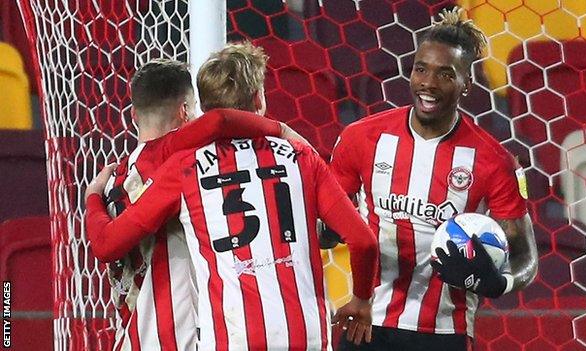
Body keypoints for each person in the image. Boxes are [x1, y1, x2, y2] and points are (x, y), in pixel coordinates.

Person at [88, 42, 380, 350]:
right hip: (304, 334)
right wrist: (361, 299)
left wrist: (92, 197)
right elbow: (363, 241)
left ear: (201, 107)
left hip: (233, 337)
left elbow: (106, 245)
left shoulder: (184, 166)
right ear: (258, 99)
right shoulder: (301, 155)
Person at [329, 7, 538, 351]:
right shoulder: (361, 138)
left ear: (467, 84)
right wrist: (325, 230)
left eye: (445, 74)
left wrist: (500, 283)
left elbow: (526, 258)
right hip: (368, 323)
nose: (428, 83)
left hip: (444, 333)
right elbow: (328, 221)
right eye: (421, 69)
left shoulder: (494, 161)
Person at [102, 58, 308, 350]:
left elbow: (102, 243)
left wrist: (90, 197)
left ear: (133, 114)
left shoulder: (114, 180)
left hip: (131, 334)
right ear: (185, 112)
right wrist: (282, 131)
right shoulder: (178, 159)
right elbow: (220, 120)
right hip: (177, 336)